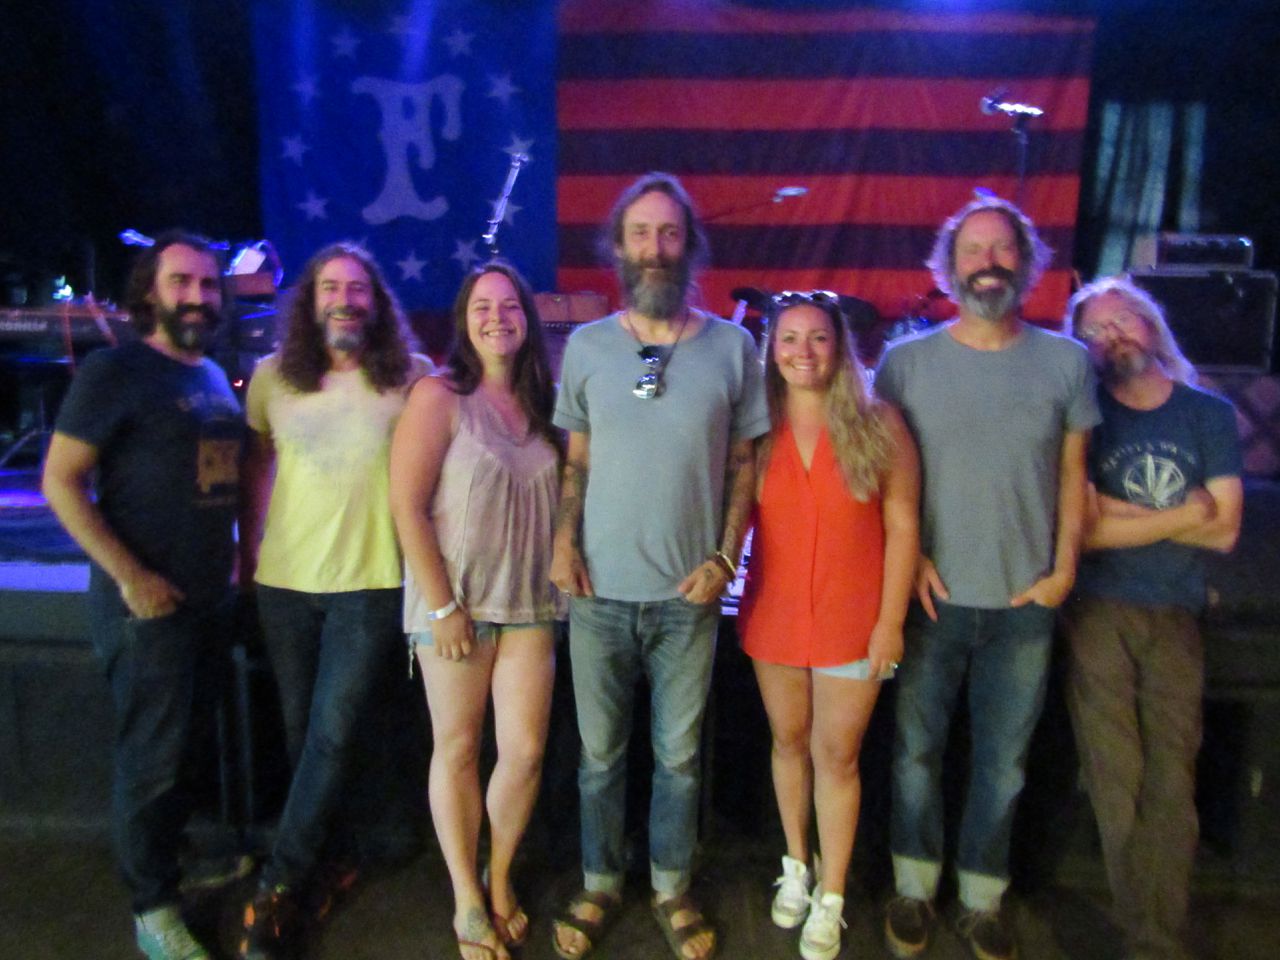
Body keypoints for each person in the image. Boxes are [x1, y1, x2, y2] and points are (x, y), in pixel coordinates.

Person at [549, 172, 770, 960]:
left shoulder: (733, 347)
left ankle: (672, 887)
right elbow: (576, 461)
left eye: (669, 233)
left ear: (689, 245)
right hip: (598, 593)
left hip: (688, 597)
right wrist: (563, 542)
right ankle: (601, 883)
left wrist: (725, 557)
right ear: (618, 247)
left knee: (678, 760)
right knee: (598, 760)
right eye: (640, 233)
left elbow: (744, 466)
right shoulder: (586, 347)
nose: (655, 248)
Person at [876, 196, 1100, 960]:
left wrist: (1064, 569)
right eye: (972, 250)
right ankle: (912, 889)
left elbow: (1073, 476)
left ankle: (981, 900)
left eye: (1002, 248)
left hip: (1024, 603)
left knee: (1003, 767)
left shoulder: (1067, 362)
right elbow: (884, 482)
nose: (988, 262)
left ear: (1025, 263)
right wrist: (909, 562)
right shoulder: (904, 364)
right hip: (930, 599)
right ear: (949, 266)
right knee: (915, 756)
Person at [42, 231, 243, 960]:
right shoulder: (115, 370)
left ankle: (175, 869)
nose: (197, 296)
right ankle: (153, 910)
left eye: (208, 285)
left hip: (205, 601)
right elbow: (60, 482)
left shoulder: (211, 375)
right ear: (149, 291)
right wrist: (130, 575)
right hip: (145, 607)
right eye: (181, 282)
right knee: (152, 761)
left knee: (185, 751)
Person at [237, 242, 431, 959]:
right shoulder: (271, 379)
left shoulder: (411, 378)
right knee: (304, 736)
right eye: (330, 288)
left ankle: (277, 886)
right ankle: (332, 858)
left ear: (376, 303)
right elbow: (257, 463)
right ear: (310, 302)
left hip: (370, 584)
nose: (344, 299)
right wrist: (247, 548)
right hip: (284, 585)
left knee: (332, 731)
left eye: (357, 288)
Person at [1063, 277, 1243, 960]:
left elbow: (1225, 531)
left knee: (1172, 774)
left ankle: (1155, 937)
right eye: (1095, 330)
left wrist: (1126, 516)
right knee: (1117, 775)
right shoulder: (1087, 418)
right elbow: (1083, 531)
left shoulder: (1207, 414)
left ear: (1150, 323)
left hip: (1176, 612)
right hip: (1099, 609)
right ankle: (1149, 936)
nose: (1112, 336)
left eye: (1123, 320)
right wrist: (1182, 513)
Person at [737, 290, 920, 960]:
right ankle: (797, 865)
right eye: (789, 339)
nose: (803, 352)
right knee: (788, 743)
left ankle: (833, 894)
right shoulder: (757, 428)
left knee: (836, 756)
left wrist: (890, 622)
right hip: (774, 614)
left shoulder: (880, 423)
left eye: (818, 337)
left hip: (854, 618)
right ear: (772, 349)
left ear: (839, 346)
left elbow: (903, 527)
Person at [388, 261, 563, 960]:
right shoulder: (439, 396)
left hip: (531, 602)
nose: (497, 317)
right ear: (464, 320)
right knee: (458, 748)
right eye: (482, 306)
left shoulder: (545, 405)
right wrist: (442, 607)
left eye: (509, 305)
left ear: (527, 318)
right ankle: (466, 898)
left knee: (524, 752)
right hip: (455, 604)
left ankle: (499, 875)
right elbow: (406, 507)